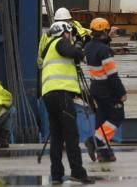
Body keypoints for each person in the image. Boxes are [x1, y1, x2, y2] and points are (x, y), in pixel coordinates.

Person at [40, 20, 95, 184]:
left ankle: (56, 175)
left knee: (57, 137)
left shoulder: (48, 49)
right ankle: (78, 172)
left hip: (51, 95)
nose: (70, 37)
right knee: (71, 135)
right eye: (70, 34)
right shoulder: (59, 43)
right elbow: (73, 53)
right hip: (61, 94)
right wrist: (79, 45)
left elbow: (70, 61)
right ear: (64, 33)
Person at [84, 17, 127, 163]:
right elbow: (112, 74)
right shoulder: (105, 50)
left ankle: (103, 153)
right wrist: (121, 92)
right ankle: (94, 140)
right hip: (107, 89)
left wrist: (108, 38)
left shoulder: (89, 47)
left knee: (101, 119)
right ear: (104, 31)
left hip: (95, 88)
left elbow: (97, 47)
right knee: (117, 116)